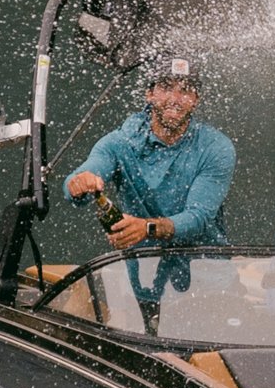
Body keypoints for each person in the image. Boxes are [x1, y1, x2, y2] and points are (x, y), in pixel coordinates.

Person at [63, 56, 235, 251]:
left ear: (196, 101)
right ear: (149, 94)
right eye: (166, 88)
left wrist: (147, 228)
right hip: (140, 273)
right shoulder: (119, 143)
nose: (175, 100)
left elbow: (198, 218)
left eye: (185, 91)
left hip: (207, 269)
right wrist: (78, 183)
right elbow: (82, 178)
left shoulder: (216, 147)